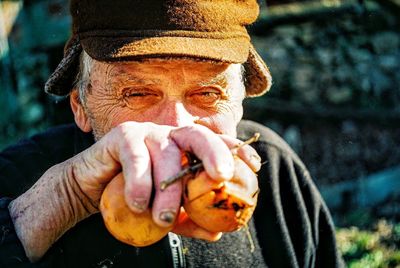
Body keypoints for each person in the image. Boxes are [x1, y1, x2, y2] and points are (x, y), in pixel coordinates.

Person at [0, 0, 344, 267]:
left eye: (208, 93)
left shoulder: (275, 170)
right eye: (136, 93)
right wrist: (63, 198)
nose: (176, 127)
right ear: (80, 106)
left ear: (240, 102)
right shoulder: (17, 181)